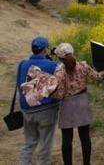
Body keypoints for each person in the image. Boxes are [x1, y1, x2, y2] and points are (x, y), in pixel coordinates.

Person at [53, 43, 104, 165]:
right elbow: (97, 76)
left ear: (59, 59)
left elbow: (58, 94)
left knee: (67, 139)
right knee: (85, 136)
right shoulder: (83, 66)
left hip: (67, 105)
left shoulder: (59, 73)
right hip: (82, 102)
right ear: (72, 53)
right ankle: (87, 163)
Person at [16, 36, 60, 165]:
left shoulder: (22, 64)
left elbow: (20, 86)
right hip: (46, 110)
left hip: (27, 110)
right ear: (45, 50)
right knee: (45, 143)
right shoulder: (53, 65)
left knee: (29, 142)